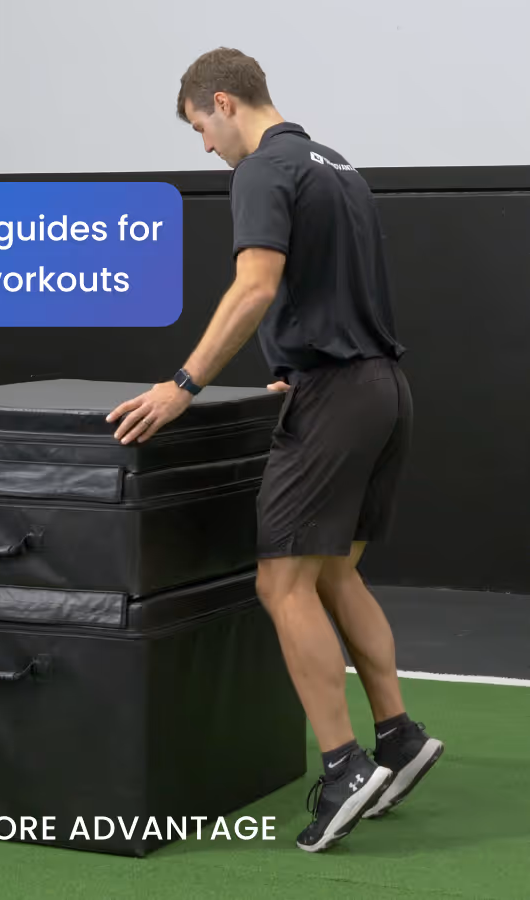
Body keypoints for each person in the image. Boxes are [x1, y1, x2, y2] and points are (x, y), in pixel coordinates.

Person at [106, 47, 444, 853]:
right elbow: (334, 291)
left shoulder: (262, 169)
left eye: (200, 128)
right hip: (382, 388)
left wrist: (180, 385)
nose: (205, 147)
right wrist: (301, 365)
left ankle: (342, 767)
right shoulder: (337, 166)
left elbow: (255, 287)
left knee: (280, 581)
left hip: (335, 396)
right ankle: (396, 736)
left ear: (224, 102)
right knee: (332, 571)